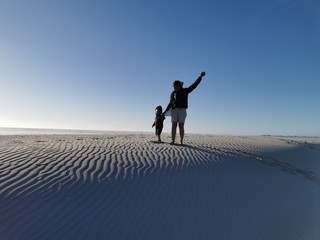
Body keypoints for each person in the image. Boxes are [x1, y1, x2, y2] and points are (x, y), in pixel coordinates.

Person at [163, 71, 205, 145]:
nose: (174, 87)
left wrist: (200, 77)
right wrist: (164, 112)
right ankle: (173, 141)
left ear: (179, 85)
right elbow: (170, 103)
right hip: (174, 110)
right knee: (174, 125)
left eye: (175, 86)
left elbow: (194, 85)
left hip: (182, 110)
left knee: (181, 126)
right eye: (173, 86)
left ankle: (181, 141)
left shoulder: (185, 91)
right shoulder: (173, 93)